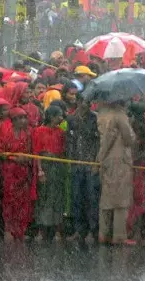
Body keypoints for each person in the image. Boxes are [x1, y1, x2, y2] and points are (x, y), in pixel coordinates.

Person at [96, 101, 136, 244]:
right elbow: (128, 139)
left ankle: (103, 233)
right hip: (120, 160)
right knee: (121, 200)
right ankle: (119, 236)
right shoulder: (120, 115)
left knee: (106, 198)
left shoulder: (102, 114)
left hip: (106, 159)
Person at [65, 96, 99, 243]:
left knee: (91, 198)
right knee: (77, 198)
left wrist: (95, 162)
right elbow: (69, 140)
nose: (87, 104)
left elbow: (98, 141)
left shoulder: (95, 119)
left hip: (90, 164)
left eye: (88, 102)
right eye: (84, 102)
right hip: (76, 164)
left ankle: (93, 230)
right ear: (78, 102)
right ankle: (79, 230)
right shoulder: (71, 119)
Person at [0, 107, 34, 242]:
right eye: (20, 118)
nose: (24, 120)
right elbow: (0, 152)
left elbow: (31, 152)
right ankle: (8, 229)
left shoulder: (28, 133)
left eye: (25, 117)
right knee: (9, 200)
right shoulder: (5, 132)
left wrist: (26, 158)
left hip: (23, 171)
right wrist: (14, 158)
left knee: (23, 201)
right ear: (13, 120)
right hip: (10, 170)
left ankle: (20, 230)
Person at [33, 106, 66, 241]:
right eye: (59, 116)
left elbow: (63, 152)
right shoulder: (39, 131)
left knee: (57, 197)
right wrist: (40, 170)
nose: (61, 118)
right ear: (52, 117)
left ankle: (58, 231)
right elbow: (36, 152)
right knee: (44, 196)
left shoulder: (60, 132)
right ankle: (41, 231)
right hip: (45, 166)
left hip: (57, 166)